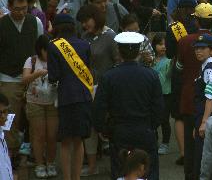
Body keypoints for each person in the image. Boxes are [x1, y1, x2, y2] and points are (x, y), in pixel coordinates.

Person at [93, 32, 163, 180]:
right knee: (148, 171)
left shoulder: (109, 76)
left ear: (119, 50)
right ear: (139, 51)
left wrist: (103, 129)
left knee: (121, 171)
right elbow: (158, 107)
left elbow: (99, 107)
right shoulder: (151, 75)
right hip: (145, 130)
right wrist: (152, 125)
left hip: (119, 131)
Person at [47, 14, 93, 180]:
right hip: (83, 96)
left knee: (65, 142)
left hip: (66, 97)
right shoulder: (84, 44)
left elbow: (53, 76)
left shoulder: (53, 46)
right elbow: (88, 69)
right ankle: (77, 177)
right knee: (79, 140)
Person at [0, 0, 43, 157]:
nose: (21, 12)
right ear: (9, 7)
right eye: (17, 9)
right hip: (8, 77)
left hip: (32, 76)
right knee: (10, 117)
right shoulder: (2, 25)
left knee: (34, 118)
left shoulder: (35, 22)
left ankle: (35, 150)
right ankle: (11, 151)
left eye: (24, 8)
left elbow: (40, 46)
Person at [22, 35, 58, 179]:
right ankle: (39, 164)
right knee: (38, 136)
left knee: (52, 136)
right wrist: (37, 74)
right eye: (47, 51)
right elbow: (24, 79)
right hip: (34, 102)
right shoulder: (32, 60)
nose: (49, 54)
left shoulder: (56, 60)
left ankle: (51, 163)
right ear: (41, 49)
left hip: (52, 102)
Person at [191, 33, 212, 180]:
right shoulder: (205, 66)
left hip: (207, 118)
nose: (198, 51)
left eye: (203, 48)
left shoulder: (210, 69)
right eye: (197, 48)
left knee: (204, 159)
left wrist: (204, 122)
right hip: (202, 117)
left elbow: (211, 96)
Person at [152, 34, 172, 156]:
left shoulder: (170, 60)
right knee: (153, 119)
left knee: (164, 119)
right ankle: (154, 141)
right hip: (153, 93)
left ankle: (165, 143)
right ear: (154, 45)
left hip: (166, 93)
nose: (163, 47)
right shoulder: (150, 60)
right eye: (160, 44)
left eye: (165, 44)